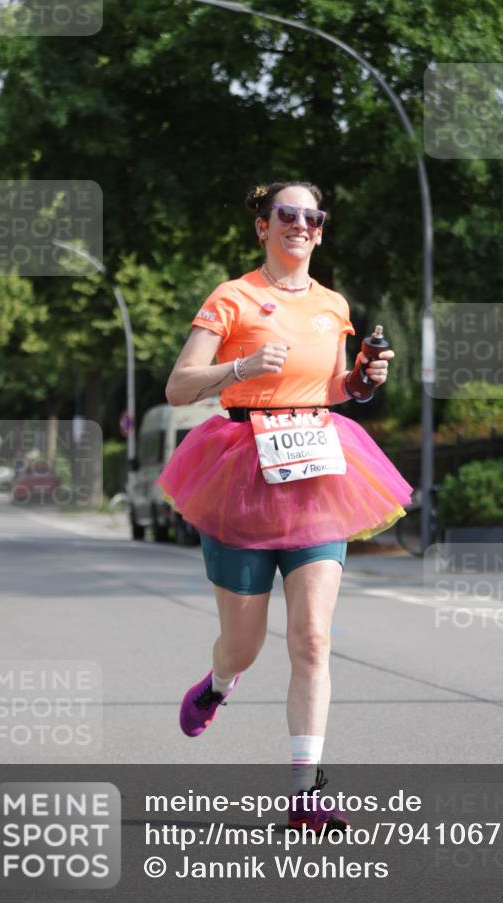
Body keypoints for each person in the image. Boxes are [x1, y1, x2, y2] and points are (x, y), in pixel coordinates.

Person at [156, 181, 413, 833]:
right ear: (262, 227)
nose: (299, 224)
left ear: (320, 231)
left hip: (317, 467)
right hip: (241, 468)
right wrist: (238, 367)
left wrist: (361, 380)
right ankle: (218, 683)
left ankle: (305, 793)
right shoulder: (231, 297)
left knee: (312, 638)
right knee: (243, 644)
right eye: (286, 215)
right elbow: (179, 384)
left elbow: (331, 387)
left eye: (311, 217)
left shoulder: (333, 304)